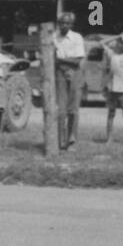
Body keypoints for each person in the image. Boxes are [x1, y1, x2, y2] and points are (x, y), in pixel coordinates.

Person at [52, 11, 87, 150]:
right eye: (61, 22)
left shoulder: (77, 37)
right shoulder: (53, 37)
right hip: (60, 73)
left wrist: (59, 60)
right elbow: (49, 56)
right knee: (61, 110)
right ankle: (60, 141)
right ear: (58, 23)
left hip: (75, 74)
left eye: (67, 23)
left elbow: (77, 60)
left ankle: (71, 140)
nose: (64, 25)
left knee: (73, 110)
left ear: (71, 24)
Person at [103, 33, 123, 142]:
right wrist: (116, 36)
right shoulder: (112, 55)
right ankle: (109, 139)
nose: (122, 45)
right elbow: (101, 43)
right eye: (121, 43)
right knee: (111, 113)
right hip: (112, 88)